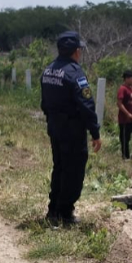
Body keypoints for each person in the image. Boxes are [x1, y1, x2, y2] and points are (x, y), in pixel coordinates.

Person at [41, 31, 102, 228]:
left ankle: (53, 210)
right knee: (73, 171)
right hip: (72, 130)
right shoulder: (74, 73)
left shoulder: (48, 70)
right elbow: (86, 104)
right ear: (76, 51)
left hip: (55, 127)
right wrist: (95, 132)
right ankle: (64, 213)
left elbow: (44, 102)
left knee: (59, 167)